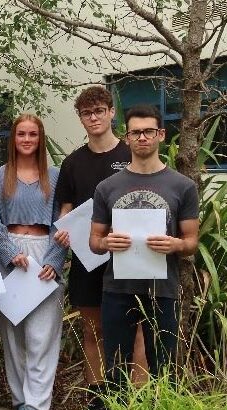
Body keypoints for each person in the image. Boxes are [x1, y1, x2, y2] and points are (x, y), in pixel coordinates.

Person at [52, 86, 149, 410]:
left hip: (131, 256)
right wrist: (62, 231)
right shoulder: (72, 163)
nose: (93, 118)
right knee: (92, 331)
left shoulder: (132, 154)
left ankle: (138, 405)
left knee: (137, 329)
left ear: (111, 113)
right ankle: (98, 404)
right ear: (80, 118)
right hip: (87, 259)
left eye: (99, 111)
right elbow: (64, 209)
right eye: (86, 113)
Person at [89, 104, 199, 394]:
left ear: (161, 134)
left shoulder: (183, 186)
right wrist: (105, 243)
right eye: (135, 132)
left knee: (165, 369)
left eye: (148, 131)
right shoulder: (107, 187)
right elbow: (94, 242)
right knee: (115, 370)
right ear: (126, 138)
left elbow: (191, 242)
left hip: (162, 289)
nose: (142, 138)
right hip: (117, 289)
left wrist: (176, 244)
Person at [0, 114, 66, 410]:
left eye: (33, 134)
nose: (27, 139)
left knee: (40, 336)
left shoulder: (56, 177)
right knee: (13, 334)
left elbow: (66, 218)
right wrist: (8, 253)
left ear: (40, 138)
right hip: (11, 258)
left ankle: (35, 408)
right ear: (13, 138)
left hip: (45, 254)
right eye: (21, 133)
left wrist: (55, 260)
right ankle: (20, 399)